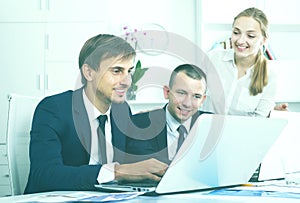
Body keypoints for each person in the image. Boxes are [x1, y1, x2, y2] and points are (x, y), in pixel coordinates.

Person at [24, 34, 168, 194]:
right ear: (89, 72)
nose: (128, 81)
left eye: (129, 71)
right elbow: (44, 175)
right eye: (117, 71)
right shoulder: (53, 109)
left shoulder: (121, 110)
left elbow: (137, 156)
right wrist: (116, 172)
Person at [203, 7, 288, 117]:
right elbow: (193, 98)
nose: (240, 41)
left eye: (250, 36)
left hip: (242, 133)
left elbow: (259, 120)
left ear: (264, 40)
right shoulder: (213, 58)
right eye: (236, 32)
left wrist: (271, 113)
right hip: (207, 130)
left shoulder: (270, 74)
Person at [125, 64, 209, 164]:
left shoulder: (211, 124)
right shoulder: (138, 125)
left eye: (196, 96)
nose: (187, 103)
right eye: (181, 93)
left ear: (203, 100)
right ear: (167, 92)